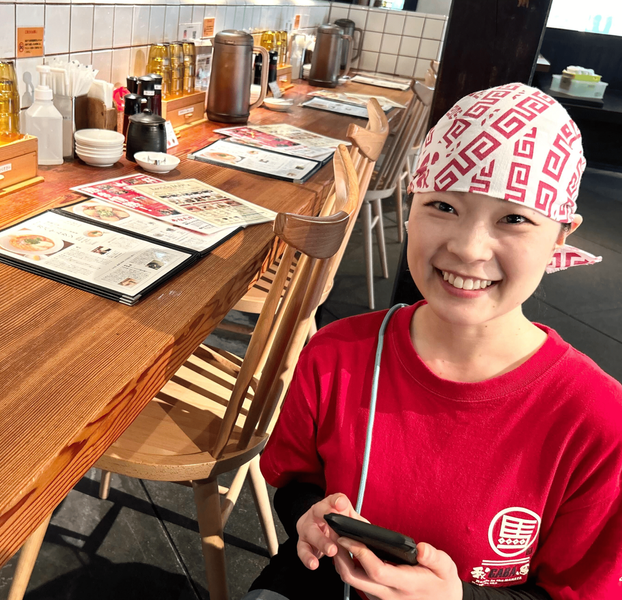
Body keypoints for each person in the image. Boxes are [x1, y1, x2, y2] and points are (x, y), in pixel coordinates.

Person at [249, 83, 622, 600]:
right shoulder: (337, 356)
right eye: (443, 207)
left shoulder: (599, 421)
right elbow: (295, 483)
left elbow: (577, 591)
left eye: (514, 218)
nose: (468, 248)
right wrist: (310, 518)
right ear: (411, 204)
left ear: (560, 236)